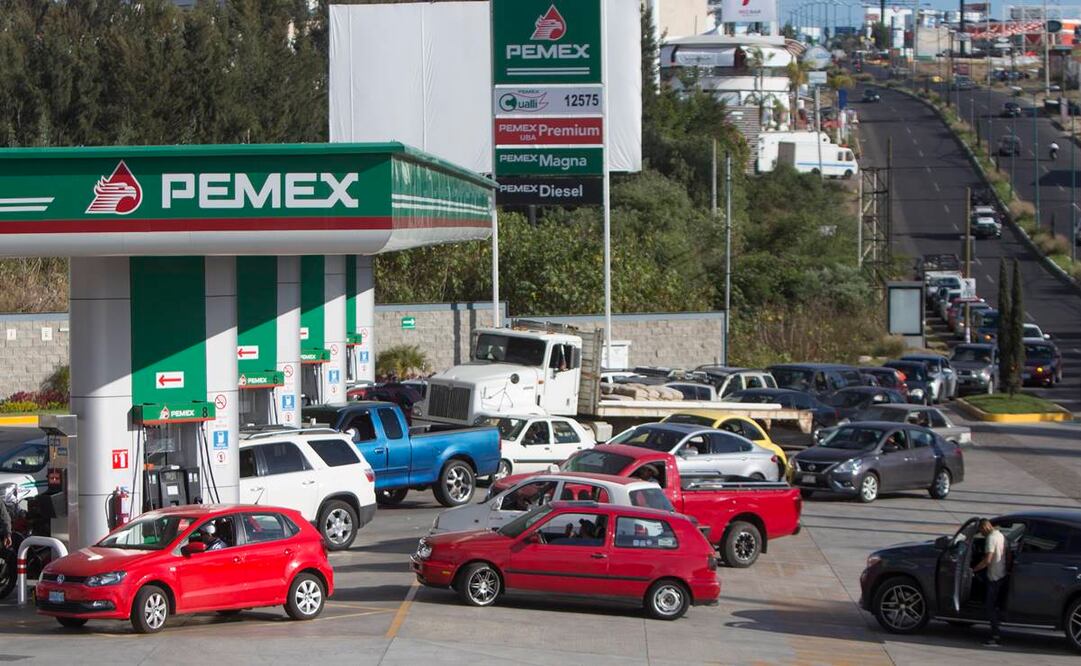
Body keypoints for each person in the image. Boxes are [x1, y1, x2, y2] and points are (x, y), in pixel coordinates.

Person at [972, 518, 1007, 647]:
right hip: (1001, 574)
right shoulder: (1000, 535)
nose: (981, 534)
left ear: (985, 527)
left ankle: (995, 636)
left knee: (990, 607)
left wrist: (973, 570)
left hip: (994, 577)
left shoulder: (990, 539)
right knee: (996, 606)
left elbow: (987, 560)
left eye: (981, 531)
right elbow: (1006, 555)